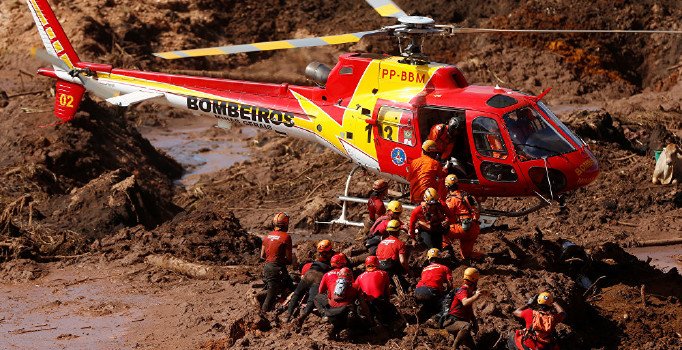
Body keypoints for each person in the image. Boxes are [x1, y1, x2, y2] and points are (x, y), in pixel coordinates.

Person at [286, 240, 334, 327]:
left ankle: (288, 316)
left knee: (296, 294)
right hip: (318, 277)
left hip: (309, 274)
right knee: (312, 300)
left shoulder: (318, 256)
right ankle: (302, 316)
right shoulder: (331, 257)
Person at [443, 267, 487, 349]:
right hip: (452, 322)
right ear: (474, 280)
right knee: (466, 326)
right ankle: (454, 348)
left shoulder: (468, 293)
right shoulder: (463, 290)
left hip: (460, 323)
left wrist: (475, 322)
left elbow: (469, 311)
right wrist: (476, 296)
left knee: (473, 347)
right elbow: (465, 302)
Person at [314, 267, 363, 340]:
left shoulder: (332, 284)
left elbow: (324, 294)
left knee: (317, 297)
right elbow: (362, 303)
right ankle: (349, 330)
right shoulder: (356, 286)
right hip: (346, 314)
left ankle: (324, 314)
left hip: (332, 313)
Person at [443, 174, 483, 260]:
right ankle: (482, 258)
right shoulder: (466, 195)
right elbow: (476, 210)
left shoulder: (451, 199)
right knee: (466, 255)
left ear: (447, 187)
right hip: (474, 228)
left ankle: (447, 250)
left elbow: (449, 216)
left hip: (463, 229)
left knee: (441, 230)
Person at [260, 212, 293, 314]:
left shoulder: (267, 236)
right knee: (272, 293)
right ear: (286, 224)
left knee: (288, 283)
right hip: (277, 268)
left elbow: (262, 256)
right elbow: (289, 259)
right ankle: (263, 313)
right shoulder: (286, 237)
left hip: (267, 268)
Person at [354, 255, 395, 326]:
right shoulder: (383, 273)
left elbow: (355, 291)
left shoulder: (360, 277)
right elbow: (386, 292)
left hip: (365, 305)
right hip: (379, 303)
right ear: (377, 263)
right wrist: (388, 303)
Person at [414, 248, 452, 321]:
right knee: (448, 301)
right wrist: (447, 292)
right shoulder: (444, 268)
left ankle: (426, 312)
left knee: (429, 302)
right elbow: (449, 283)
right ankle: (437, 317)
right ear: (439, 257)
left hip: (417, 291)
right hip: (430, 291)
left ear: (429, 259)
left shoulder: (424, 269)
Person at [376, 220, 409, 292]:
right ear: (398, 231)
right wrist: (407, 270)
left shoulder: (381, 243)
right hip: (391, 269)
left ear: (388, 231)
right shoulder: (400, 243)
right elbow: (402, 261)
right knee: (406, 287)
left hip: (379, 267)